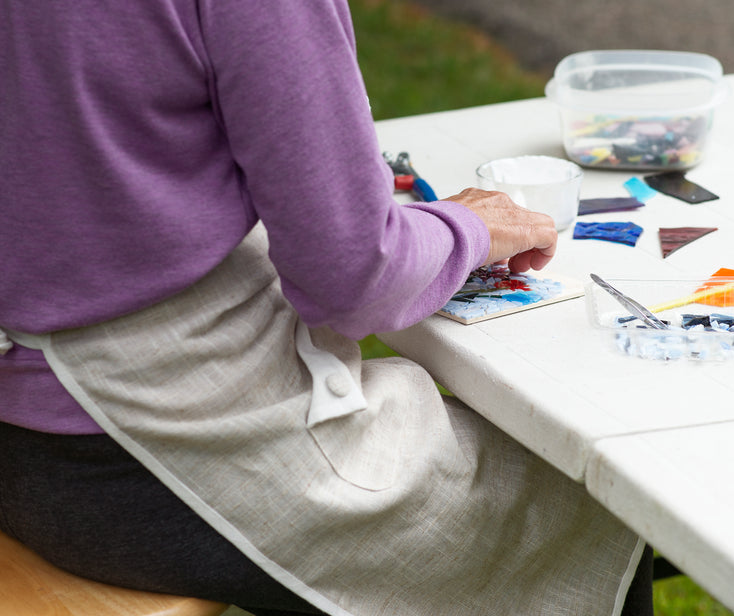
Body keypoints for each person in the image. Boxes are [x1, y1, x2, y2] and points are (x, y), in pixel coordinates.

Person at [0, 1, 652, 615]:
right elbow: (354, 276)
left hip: (30, 440)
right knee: (595, 502)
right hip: (143, 451)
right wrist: (470, 228)